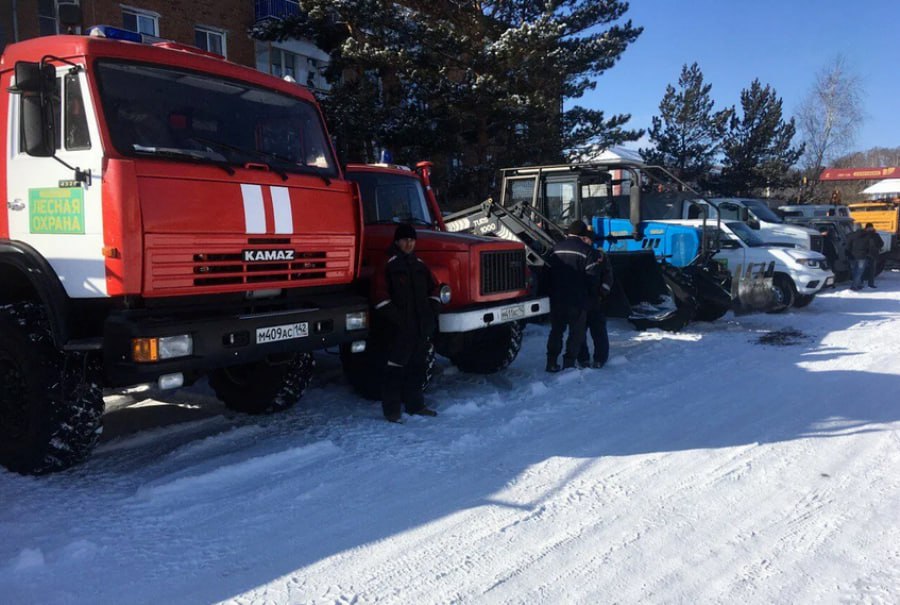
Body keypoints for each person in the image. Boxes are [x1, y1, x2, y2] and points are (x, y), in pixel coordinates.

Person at [372, 224, 441, 422]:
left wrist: (431, 311)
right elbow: (380, 297)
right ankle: (392, 411)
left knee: (417, 368)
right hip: (398, 331)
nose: (409, 243)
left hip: (419, 329)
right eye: (405, 240)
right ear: (396, 241)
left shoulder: (419, 265)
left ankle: (416, 406)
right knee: (395, 370)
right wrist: (398, 320)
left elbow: (435, 288)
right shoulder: (388, 265)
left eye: (412, 240)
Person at [545, 220, 602, 372]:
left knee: (556, 331)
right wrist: (593, 296)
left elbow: (546, 274)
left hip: (557, 299)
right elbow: (592, 277)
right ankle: (569, 363)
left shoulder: (555, 249)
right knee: (576, 332)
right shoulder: (587, 251)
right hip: (578, 299)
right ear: (582, 234)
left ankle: (551, 362)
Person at [577, 245, 614, 369]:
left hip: (594, 299)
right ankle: (583, 358)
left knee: (597, 331)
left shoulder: (599, 255)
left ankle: (599, 358)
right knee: (581, 332)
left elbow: (608, 274)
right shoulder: (579, 253)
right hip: (583, 299)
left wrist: (602, 292)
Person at [847, 223, 883, 290]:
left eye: (871, 227)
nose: (870, 229)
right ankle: (858, 284)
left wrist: (876, 248)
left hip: (867, 255)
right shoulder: (866, 235)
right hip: (864, 255)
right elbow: (867, 245)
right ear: (865, 228)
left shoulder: (874, 235)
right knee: (860, 271)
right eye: (869, 228)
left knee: (860, 271)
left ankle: (865, 284)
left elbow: (848, 246)